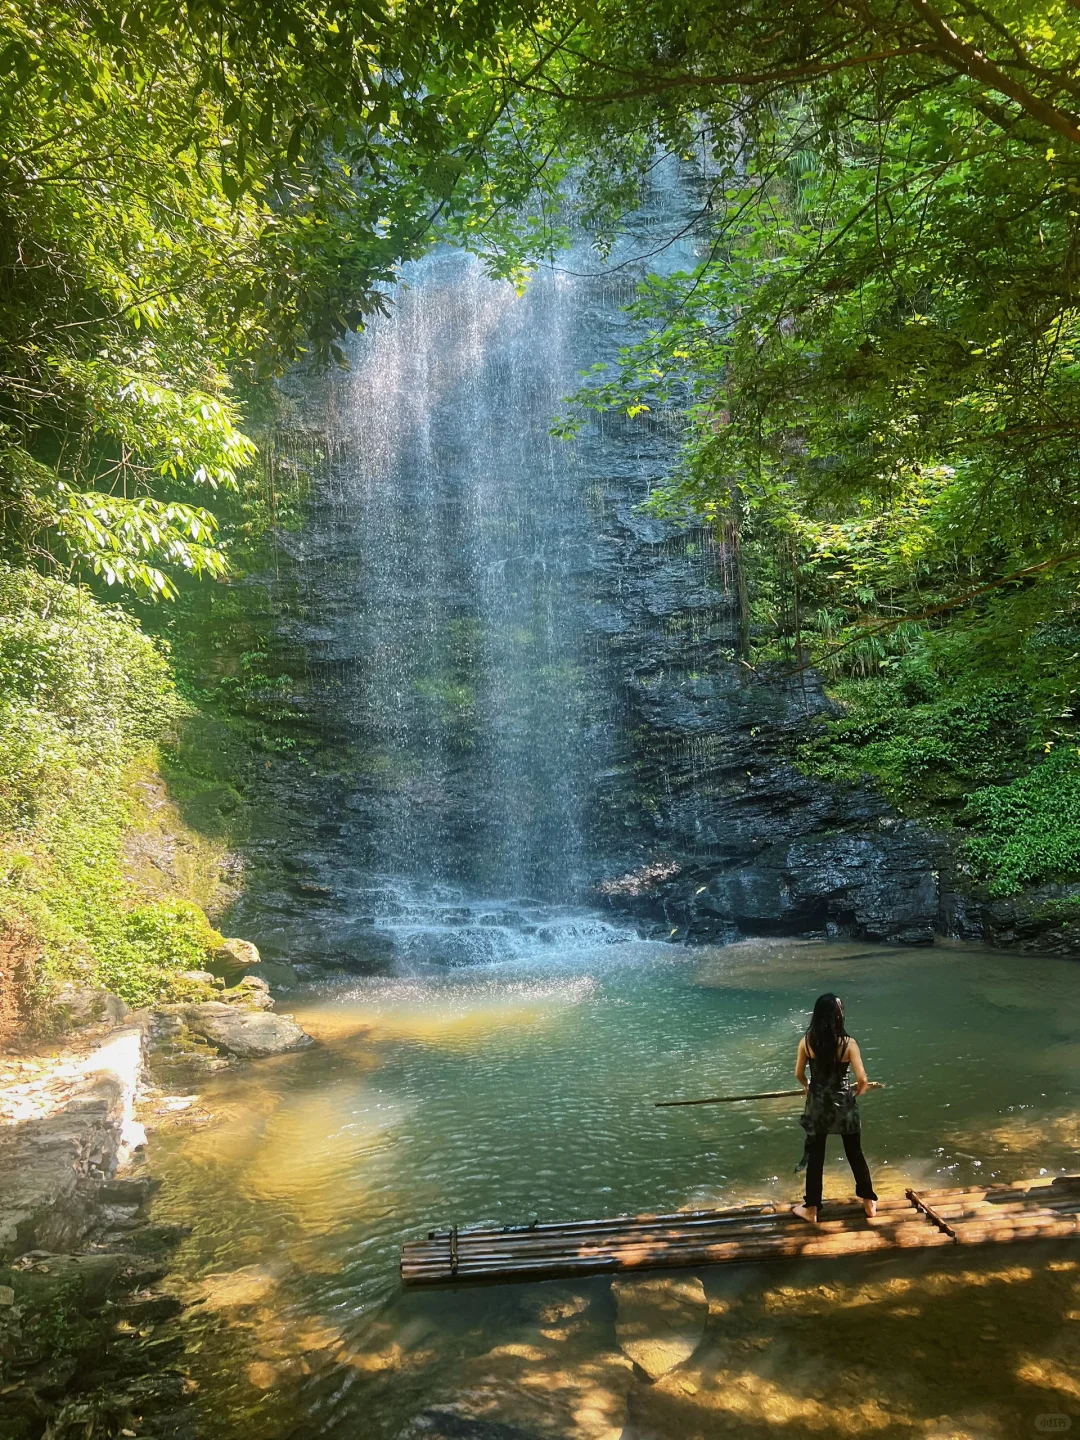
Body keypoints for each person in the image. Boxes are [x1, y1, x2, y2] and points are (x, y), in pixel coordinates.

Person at [790, 992, 878, 1225]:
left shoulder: (807, 1041)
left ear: (816, 1016)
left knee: (816, 1156)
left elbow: (799, 1074)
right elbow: (862, 1079)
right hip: (844, 1105)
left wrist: (808, 1086)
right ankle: (869, 1202)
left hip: (818, 1105)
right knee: (854, 1153)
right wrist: (858, 1090)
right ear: (839, 1016)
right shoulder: (849, 1044)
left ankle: (812, 1209)